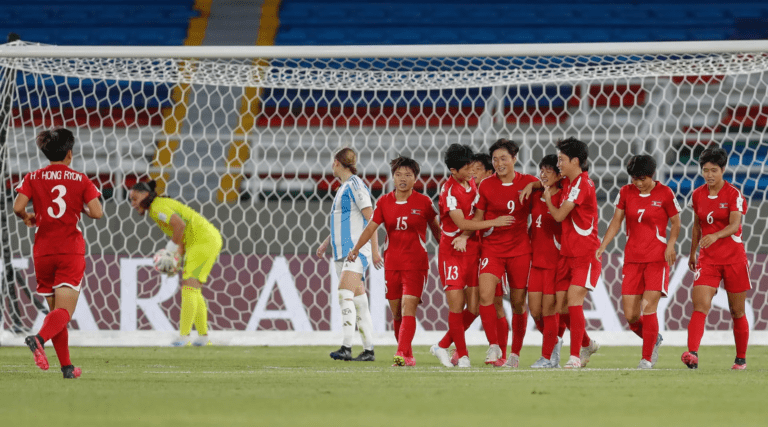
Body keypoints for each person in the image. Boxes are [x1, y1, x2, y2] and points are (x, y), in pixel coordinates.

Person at [14, 128, 103, 379]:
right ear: (69, 154)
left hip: (43, 251)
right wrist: (84, 210)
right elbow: (97, 213)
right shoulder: (81, 179)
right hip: (69, 250)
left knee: (56, 314)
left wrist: (26, 217)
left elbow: (17, 206)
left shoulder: (33, 177)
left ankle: (66, 367)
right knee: (64, 313)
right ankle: (39, 338)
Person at [347, 156, 441, 366]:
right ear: (393, 177)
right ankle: (408, 355)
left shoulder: (424, 202)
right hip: (392, 264)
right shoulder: (384, 201)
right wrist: (356, 249)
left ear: (415, 179)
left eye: (408, 175)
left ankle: (400, 354)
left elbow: (437, 232)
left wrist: (448, 251)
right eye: (399, 174)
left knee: (409, 307)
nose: (403, 178)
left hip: (416, 264)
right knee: (397, 311)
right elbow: (371, 228)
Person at [429, 144, 512, 368]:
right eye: (467, 167)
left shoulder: (473, 184)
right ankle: (463, 355)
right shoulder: (449, 192)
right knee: (456, 305)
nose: (471, 171)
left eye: (473, 166)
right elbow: (463, 222)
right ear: (454, 171)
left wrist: (467, 236)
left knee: (475, 307)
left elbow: (475, 215)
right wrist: (491, 223)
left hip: (474, 249)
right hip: (452, 253)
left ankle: (443, 345)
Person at [596, 155, 681, 369]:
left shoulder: (665, 193)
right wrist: (603, 245)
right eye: (634, 178)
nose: (638, 183)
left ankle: (646, 359)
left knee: (648, 306)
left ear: (651, 175)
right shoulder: (625, 192)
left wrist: (671, 243)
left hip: (656, 259)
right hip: (632, 259)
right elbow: (616, 221)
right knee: (631, 315)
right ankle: (653, 338)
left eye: (642, 178)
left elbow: (676, 221)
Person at [129, 180, 222, 347]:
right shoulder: (159, 205)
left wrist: (170, 251)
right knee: (194, 288)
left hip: (202, 241)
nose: (133, 204)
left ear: (145, 195)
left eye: (134, 199)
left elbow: (179, 225)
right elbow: (182, 232)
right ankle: (202, 337)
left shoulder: (157, 208)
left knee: (189, 287)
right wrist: (176, 258)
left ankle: (184, 336)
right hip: (202, 240)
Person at [471, 139, 538, 368]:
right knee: (485, 296)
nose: (498, 163)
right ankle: (494, 345)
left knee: (519, 303)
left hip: (520, 250)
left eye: (503, 158)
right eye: (495, 159)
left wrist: (535, 186)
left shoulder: (528, 181)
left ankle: (515, 354)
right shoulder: (486, 185)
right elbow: (477, 221)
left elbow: (551, 182)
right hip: (493, 248)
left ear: (514, 158)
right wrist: (494, 221)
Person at [682, 146, 750, 370]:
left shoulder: (734, 195)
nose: (709, 175)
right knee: (700, 305)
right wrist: (692, 252)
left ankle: (740, 359)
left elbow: (734, 225)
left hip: (733, 259)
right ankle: (692, 354)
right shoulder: (698, 194)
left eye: (713, 170)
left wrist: (715, 235)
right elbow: (696, 226)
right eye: (705, 170)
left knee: (736, 311)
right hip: (708, 259)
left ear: (723, 170)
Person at [316, 147, 382, 362]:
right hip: (341, 252)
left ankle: (346, 347)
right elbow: (344, 221)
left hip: (355, 252)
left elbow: (372, 219)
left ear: (336, 162)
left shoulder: (355, 185)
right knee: (360, 302)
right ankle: (369, 350)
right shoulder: (343, 188)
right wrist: (327, 242)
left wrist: (373, 251)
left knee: (344, 296)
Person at [541, 137, 601, 369]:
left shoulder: (582, 185)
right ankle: (586, 343)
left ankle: (574, 356)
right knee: (562, 307)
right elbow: (547, 180)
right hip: (567, 254)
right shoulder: (568, 182)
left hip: (585, 254)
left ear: (575, 161)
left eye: (561, 160)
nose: (558, 165)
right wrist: (532, 185)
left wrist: (547, 200)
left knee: (574, 303)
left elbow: (558, 216)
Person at [526, 154, 566, 368]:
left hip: (555, 262)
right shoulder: (535, 195)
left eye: (548, 171)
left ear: (559, 175)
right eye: (541, 170)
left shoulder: (564, 198)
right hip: (536, 261)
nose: (543, 174)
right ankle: (555, 341)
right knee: (535, 310)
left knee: (550, 310)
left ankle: (547, 356)